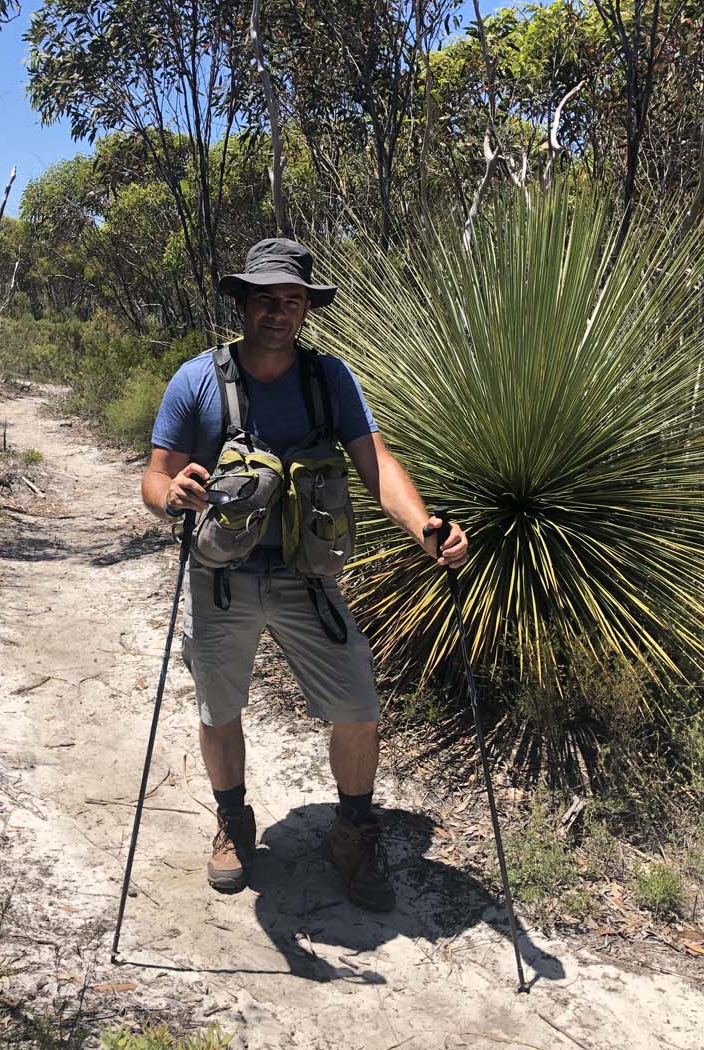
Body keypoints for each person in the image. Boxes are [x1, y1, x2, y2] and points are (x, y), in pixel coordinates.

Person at [141, 237, 468, 912]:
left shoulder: (330, 380)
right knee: (218, 707)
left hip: (307, 579)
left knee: (357, 706)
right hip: (221, 576)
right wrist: (170, 496)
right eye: (267, 299)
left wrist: (425, 529)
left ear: (305, 309)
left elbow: (377, 465)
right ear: (243, 303)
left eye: (292, 301)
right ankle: (234, 820)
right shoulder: (196, 379)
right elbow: (155, 474)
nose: (280, 313)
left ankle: (352, 829)